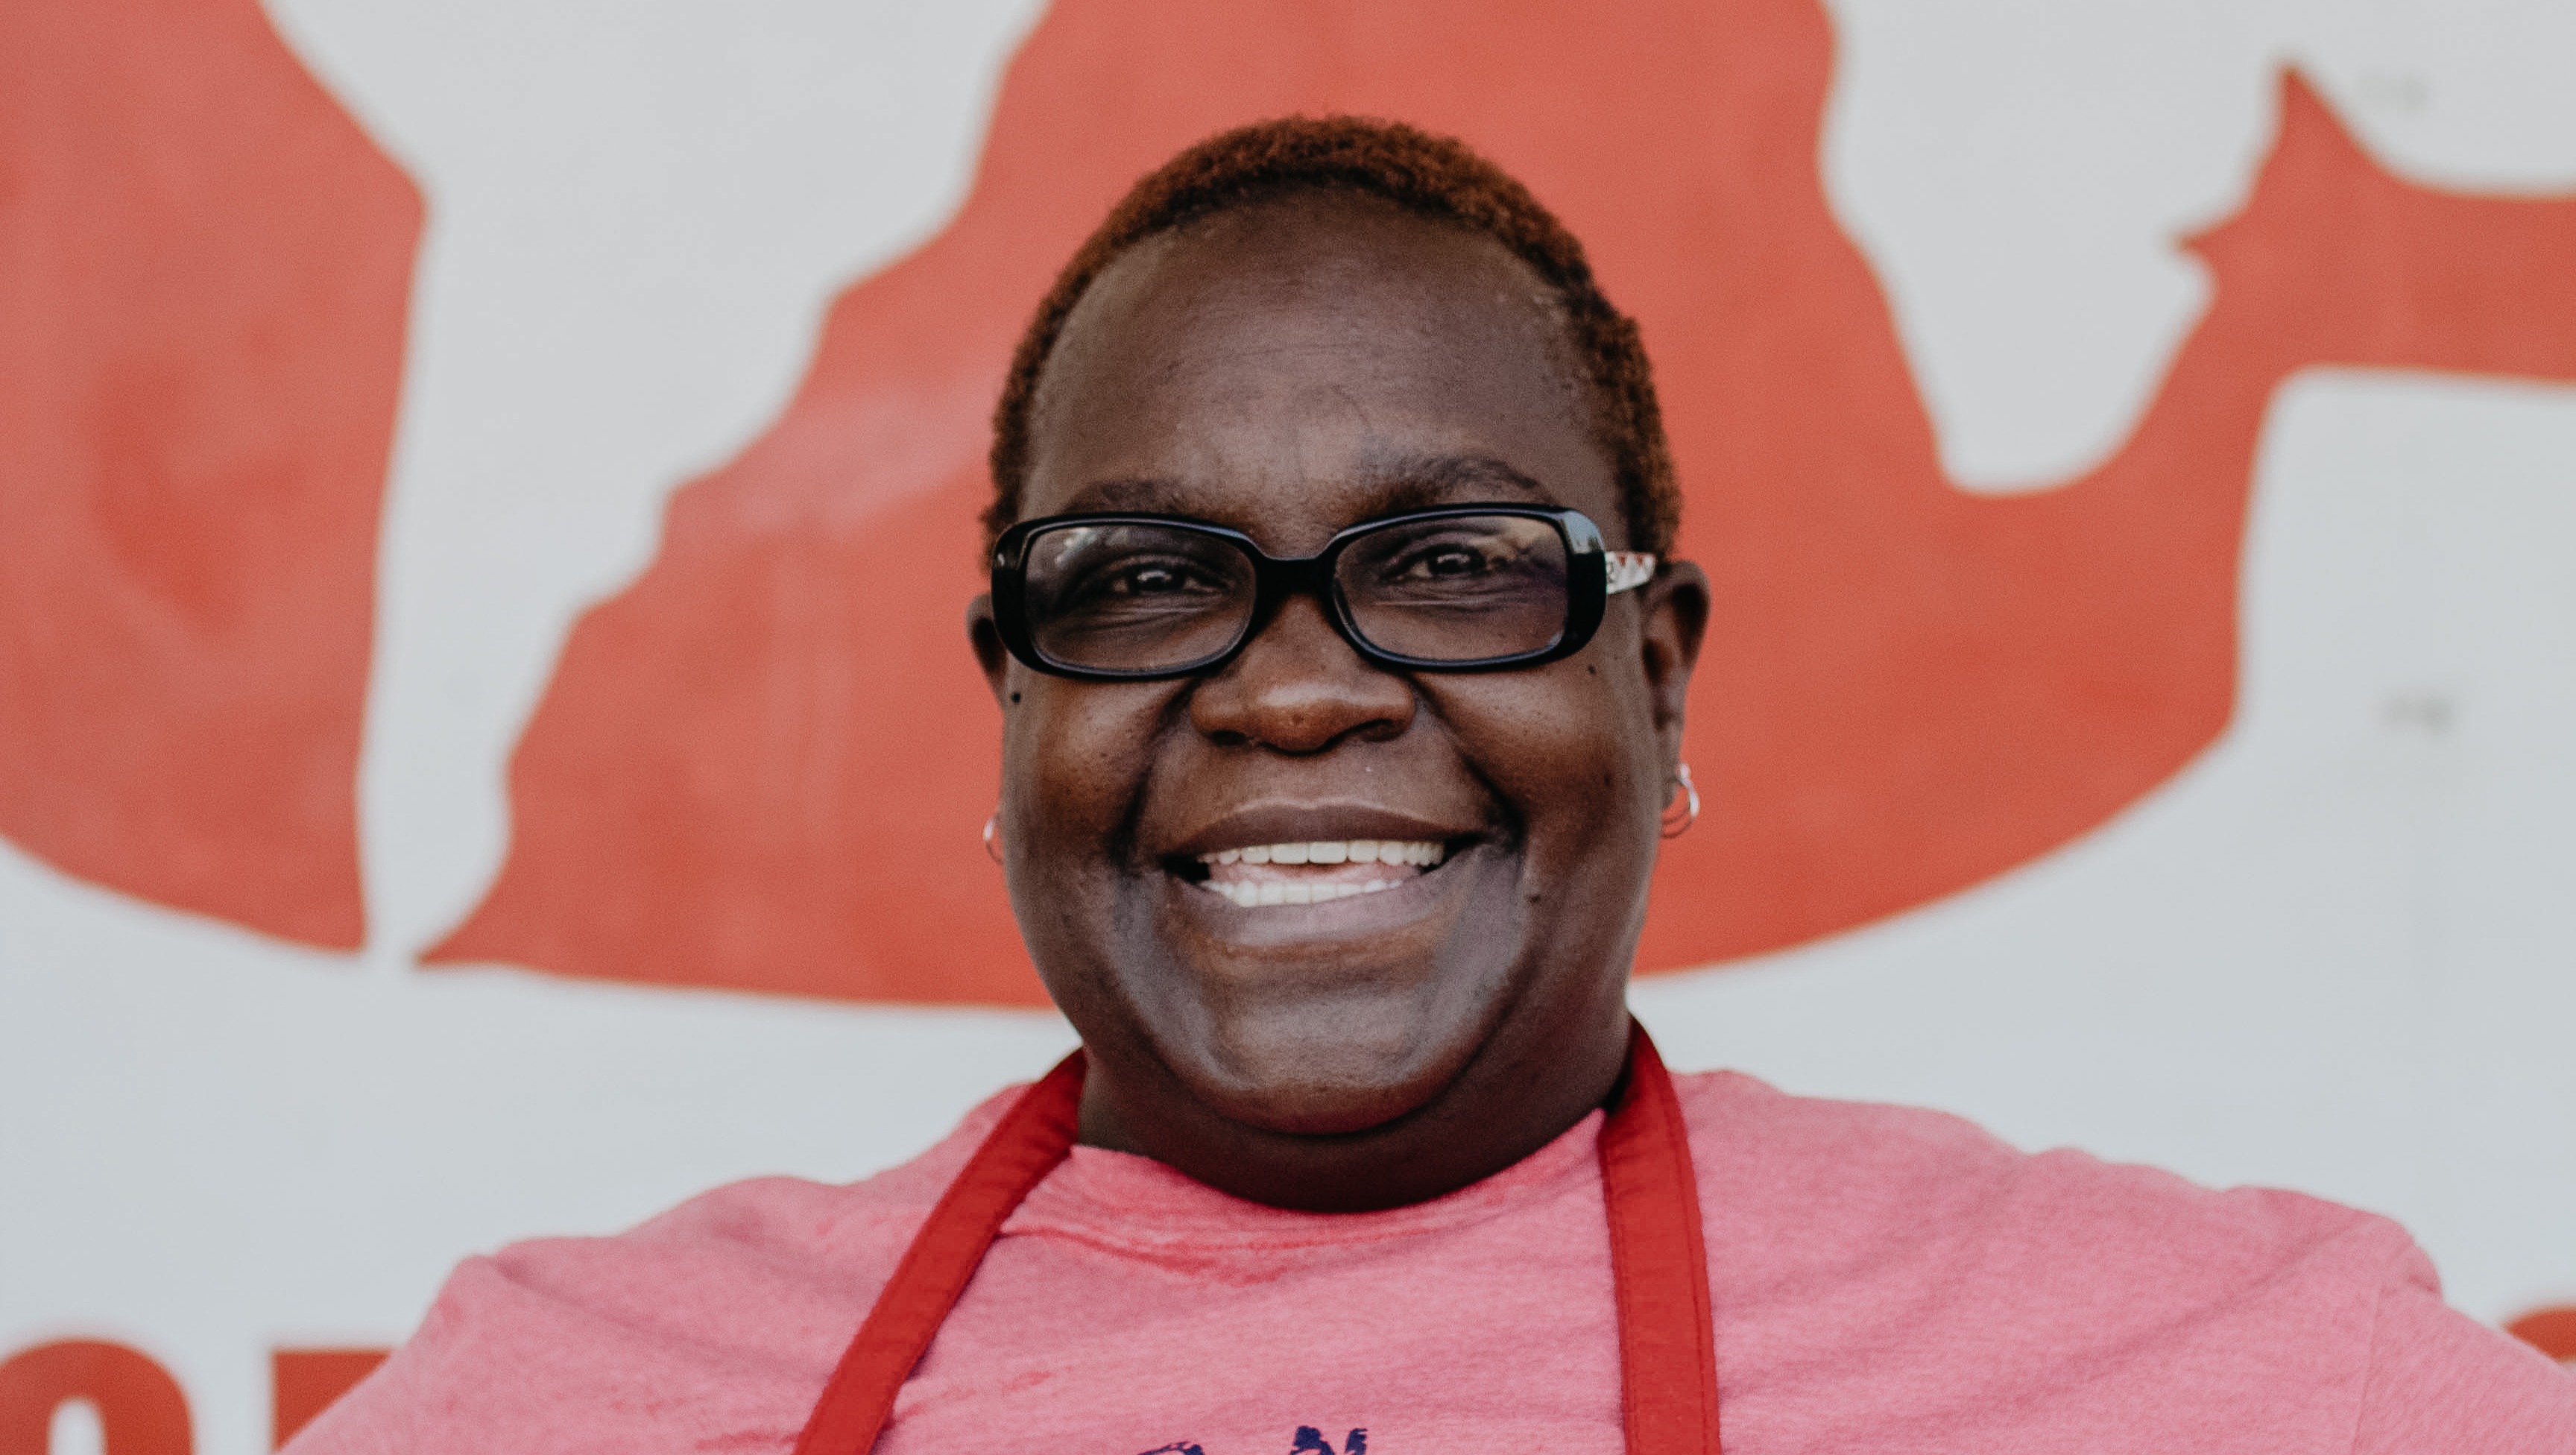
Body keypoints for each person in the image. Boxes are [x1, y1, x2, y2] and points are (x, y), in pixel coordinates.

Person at [289, 118, 2576, 1454]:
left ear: (1654, 678)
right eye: (1145, 581)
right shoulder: (563, 1395)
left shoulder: (2211, 1368)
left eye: (1454, 568)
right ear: (1011, 700)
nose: (1294, 694)